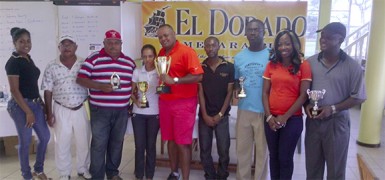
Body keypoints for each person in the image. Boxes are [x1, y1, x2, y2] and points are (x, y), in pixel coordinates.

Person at [305, 22, 366, 180]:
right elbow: (303, 91)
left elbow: (358, 96)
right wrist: (306, 105)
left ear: (340, 40)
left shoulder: (353, 67)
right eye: (322, 36)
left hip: (336, 123)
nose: (323, 40)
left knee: (336, 171)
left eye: (329, 37)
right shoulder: (309, 63)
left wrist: (332, 108)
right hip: (313, 123)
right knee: (312, 169)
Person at [76, 30, 136, 180]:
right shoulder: (94, 59)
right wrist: (99, 86)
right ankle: (97, 176)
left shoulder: (129, 62)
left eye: (116, 43)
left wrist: (132, 104)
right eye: (109, 42)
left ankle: (113, 173)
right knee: (99, 144)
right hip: (99, 110)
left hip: (122, 111)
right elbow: (80, 79)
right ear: (104, 44)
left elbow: (135, 86)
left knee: (117, 143)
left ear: (121, 45)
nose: (113, 46)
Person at [262, 30, 312, 180]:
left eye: (287, 43)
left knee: (284, 158)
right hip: (271, 119)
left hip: (292, 120)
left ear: (294, 45)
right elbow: (264, 93)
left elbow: (304, 95)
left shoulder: (304, 65)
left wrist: (285, 117)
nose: (283, 47)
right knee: (273, 157)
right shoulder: (271, 65)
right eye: (280, 44)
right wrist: (269, 116)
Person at [156, 24, 204, 180]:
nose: (163, 39)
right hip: (165, 102)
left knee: (182, 142)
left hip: (184, 103)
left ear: (174, 34)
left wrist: (175, 80)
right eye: (160, 37)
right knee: (169, 139)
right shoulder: (161, 53)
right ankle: (174, 172)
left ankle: (185, 177)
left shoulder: (186, 51)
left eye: (166, 35)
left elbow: (198, 76)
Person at [41, 35, 91, 180]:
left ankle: (83, 169)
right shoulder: (51, 66)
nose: (67, 47)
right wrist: (49, 113)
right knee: (62, 142)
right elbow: (47, 91)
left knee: (84, 141)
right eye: (64, 44)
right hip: (61, 108)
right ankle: (64, 173)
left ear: (76, 47)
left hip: (81, 107)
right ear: (59, 48)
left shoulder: (84, 63)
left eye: (70, 44)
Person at [5, 27, 51, 180]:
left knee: (44, 137)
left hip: (35, 103)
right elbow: (14, 90)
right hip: (20, 106)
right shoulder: (13, 62)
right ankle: (26, 175)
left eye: (28, 41)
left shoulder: (28, 58)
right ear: (14, 43)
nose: (26, 44)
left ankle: (38, 169)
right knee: (25, 141)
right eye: (21, 41)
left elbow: (31, 84)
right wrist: (28, 112)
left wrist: (41, 103)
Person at [233, 19, 269, 180]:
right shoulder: (239, 57)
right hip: (244, 109)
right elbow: (236, 81)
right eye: (250, 30)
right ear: (245, 33)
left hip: (265, 111)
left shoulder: (273, 55)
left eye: (257, 30)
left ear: (264, 32)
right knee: (242, 151)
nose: (253, 33)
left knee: (262, 152)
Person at [198, 36, 234, 180]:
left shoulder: (229, 67)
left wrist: (220, 114)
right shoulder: (200, 68)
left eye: (213, 45)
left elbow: (230, 92)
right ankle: (210, 175)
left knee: (223, 150)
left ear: (219, 47)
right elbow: (200, 92)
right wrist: (205, 114)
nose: (210, 48)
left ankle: (222, 175)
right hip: (204, 116)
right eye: (207, 45)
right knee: (204, 150)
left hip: (223, 116)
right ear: (204, 48)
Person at [130, 44, 160, 180]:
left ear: (155, 57)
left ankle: (149, 175)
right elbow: (130, 92)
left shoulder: (160, 72)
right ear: (141, 57)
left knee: (151, 146)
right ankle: (139, 175)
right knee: (139, 146)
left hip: (155, 113)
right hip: (139, 114)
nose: (147, 59)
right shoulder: (137, 72)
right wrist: (137, 103)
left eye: (150, 56)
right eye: (145, 56)